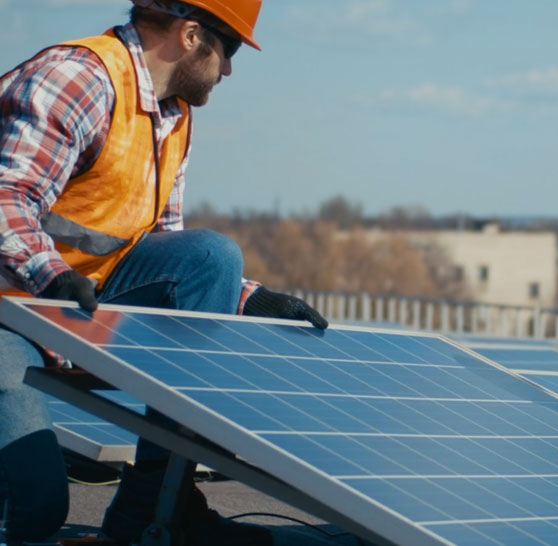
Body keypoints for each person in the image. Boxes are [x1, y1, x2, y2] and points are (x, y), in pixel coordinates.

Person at [0, 1, 328, 543]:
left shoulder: (172, 115)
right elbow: (7, 196)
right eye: (231, 50)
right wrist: (52, 279)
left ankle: (151, 510)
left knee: (212, 255)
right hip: (15, 308)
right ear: (193, 35)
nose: (229, 71)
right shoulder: (77, 78)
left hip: (68, 304)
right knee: (35, 505)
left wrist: (251, 299)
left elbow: (159, 247)